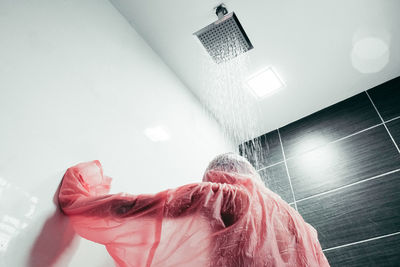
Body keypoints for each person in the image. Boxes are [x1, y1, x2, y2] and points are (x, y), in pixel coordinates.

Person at [59, 153, 330, 267]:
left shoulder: (227, 197)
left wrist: (81, 194)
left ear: (216, 175)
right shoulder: (304, 228)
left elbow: (134, 210)